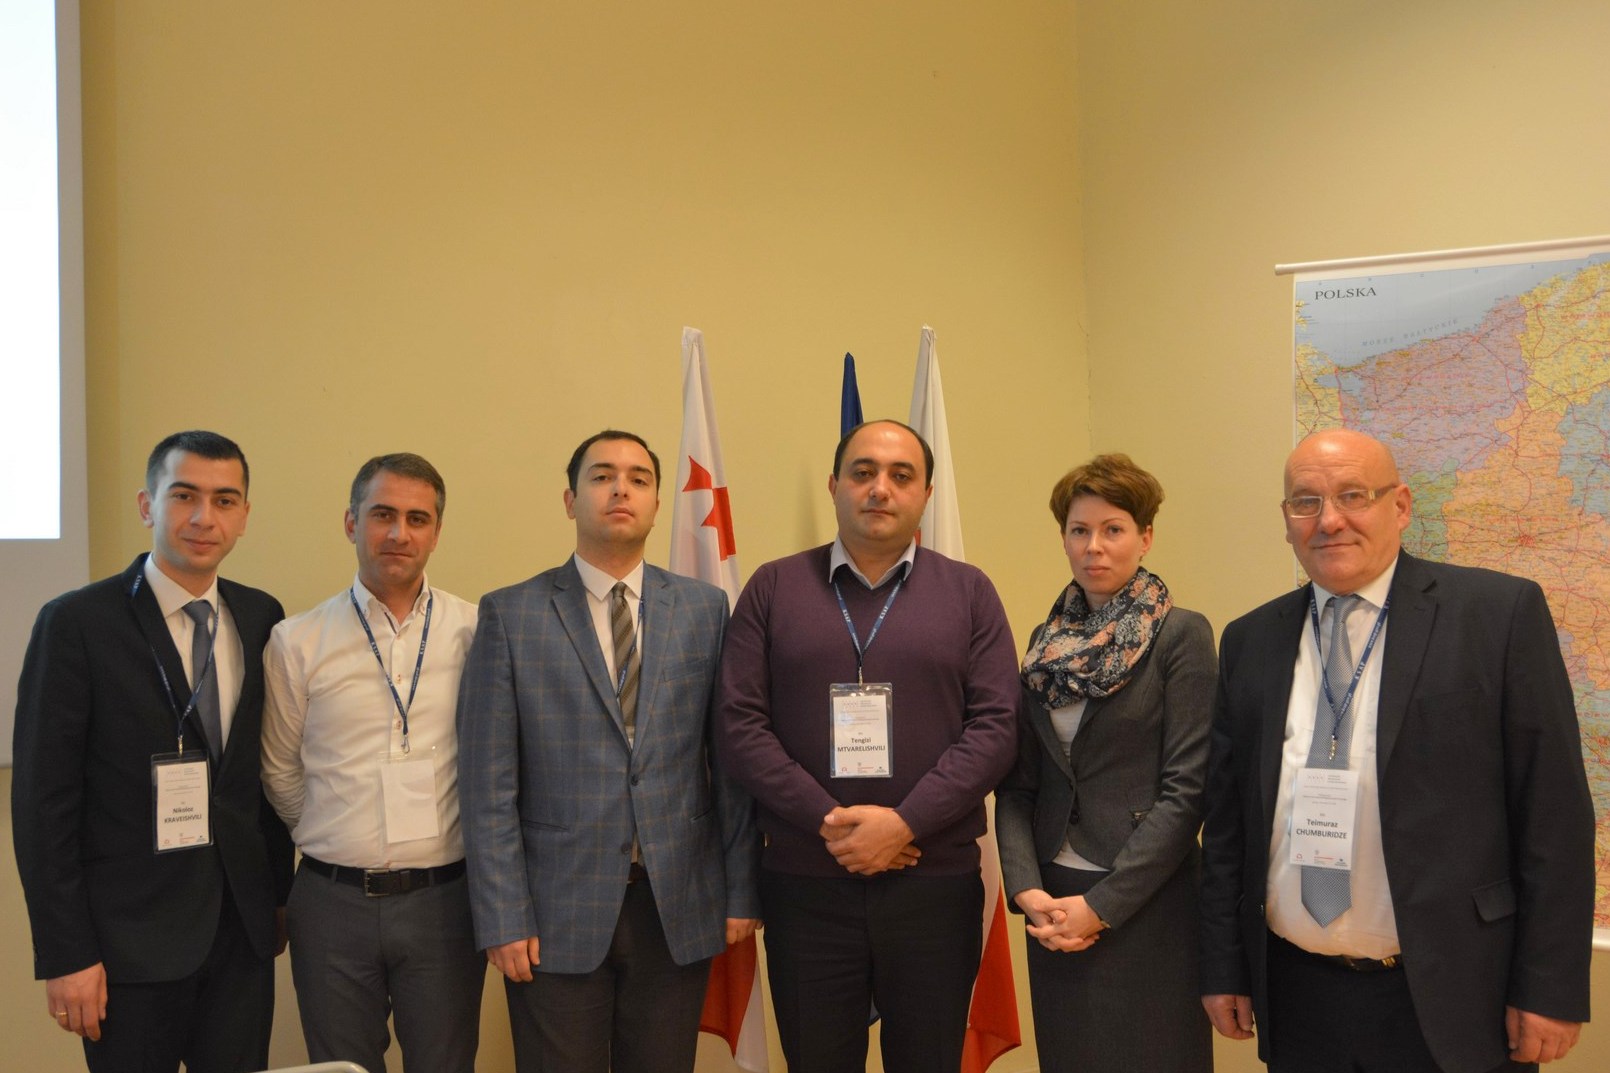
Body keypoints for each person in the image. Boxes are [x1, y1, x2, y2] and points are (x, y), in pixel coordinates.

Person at [1199, 428, 1594, 1073]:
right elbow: (1226, 826)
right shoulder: (1250, 640)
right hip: (1297, 997)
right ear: (1287, 519)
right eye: (1306, 502)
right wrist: (1224, 967)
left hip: (1452, 993)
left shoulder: (1497, 615)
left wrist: (1549, 987)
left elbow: (1554, 815)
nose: (1329, 520)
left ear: (1401, 506)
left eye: (1353, 495)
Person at [716, 418, 1020, 1073]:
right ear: (834, 485)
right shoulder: (773, 587)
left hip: (933, 886)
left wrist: (904, 823)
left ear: (926, 494)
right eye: (863, 472)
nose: (880, 488)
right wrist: (830, 821)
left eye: (901, 475)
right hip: (806, 885)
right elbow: (739, 726)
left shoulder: (970, 592)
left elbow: (996, 728)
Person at [456, 429, 760, 1073]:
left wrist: (741, 890)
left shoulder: (705, 610)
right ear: (570, 500)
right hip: (553, 913)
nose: (621, 489)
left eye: (639, 479)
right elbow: (488, 786)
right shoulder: (512, 614)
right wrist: (502, 915)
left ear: (656, 505)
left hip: (676, 905)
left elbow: (731, 765)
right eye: (601, 476)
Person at [12, 430, 292, 1072]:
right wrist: (66, 954)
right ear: (147, 505)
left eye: (224, 500)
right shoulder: (77, 623)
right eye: (184, 495)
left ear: (244, 516)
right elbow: (42, 803)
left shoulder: (261, 617)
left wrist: (278, 898)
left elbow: (261, 776)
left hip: (240, 939)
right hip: (125, 947)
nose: (204, 517)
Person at [261, 452, 484, 1073]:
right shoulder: (297, 640)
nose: (398, 533)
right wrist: (340, 830)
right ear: (351, 522)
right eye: (382, 514)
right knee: (341, 1068)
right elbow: (280, 770)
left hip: (445, 902)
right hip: (333, 904)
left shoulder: (476, 630)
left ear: (436, 532)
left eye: (417, 519)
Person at [995, 453, 1215, 1073]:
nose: (1094, 547)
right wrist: (1025, 886)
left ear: (1145, 538)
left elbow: (1187, 792)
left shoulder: (1181, 635)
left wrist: (1102, 907)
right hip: (1053, 900)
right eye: (1079, 530)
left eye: (1113, 529)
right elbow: (1019, 784)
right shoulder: (1044, 644)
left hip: (1145, 897)